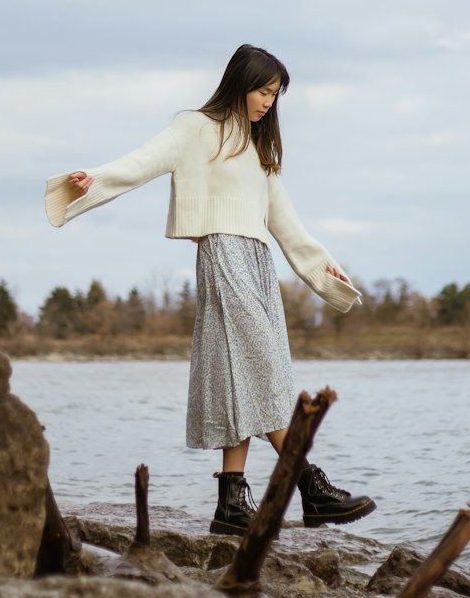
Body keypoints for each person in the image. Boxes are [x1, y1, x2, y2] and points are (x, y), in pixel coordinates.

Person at [44, 43, 376, 536]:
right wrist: (89, 179)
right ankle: (309, 485)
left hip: (258, 264)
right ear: (241, 82)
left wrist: (328, 272)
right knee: (262, 372)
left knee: (236, 375)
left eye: (276, 95)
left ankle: (231, 501)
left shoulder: (261, 149)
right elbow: (141, 162)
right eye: (264, 90)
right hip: (222, 258)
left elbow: (287, 226)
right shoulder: (195, 128)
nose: (269, 102)